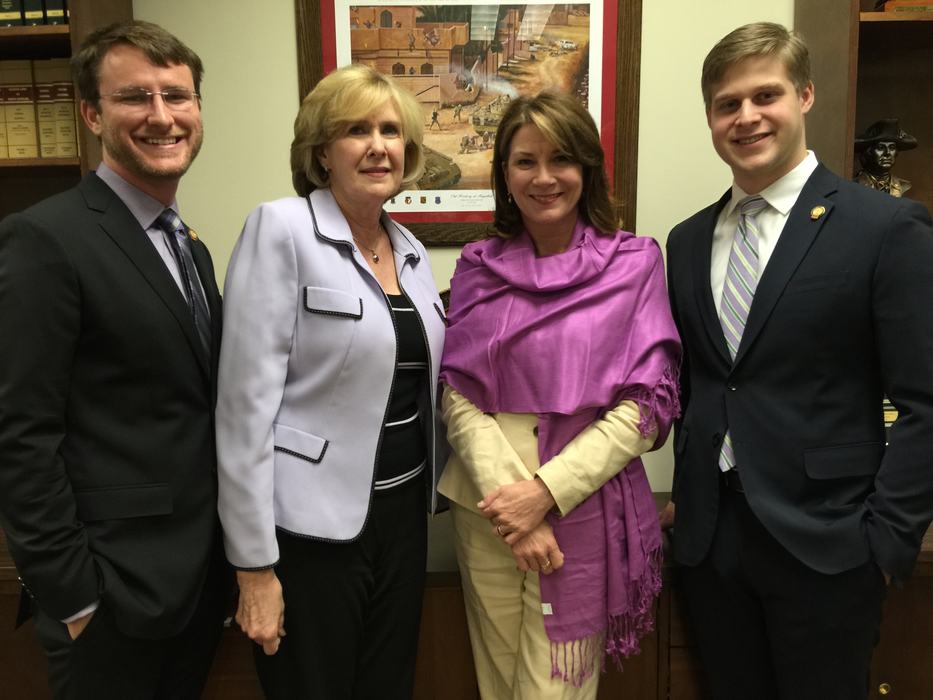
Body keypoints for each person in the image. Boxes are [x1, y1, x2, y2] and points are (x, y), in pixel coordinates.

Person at [665, 22, 933, 700]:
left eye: (765, 95)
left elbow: (924, 401)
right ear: (709, 117)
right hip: (709, 545)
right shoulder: (688, 240)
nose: (745, 117)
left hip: (828, 546)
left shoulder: (883, 228)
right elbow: (705, 381)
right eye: (727, 104)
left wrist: (886, 541)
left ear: (805, 95)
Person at [0, 20, 228, 698]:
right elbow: (19, 435)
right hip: (112, 596)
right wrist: (74, 599)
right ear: (93, 114)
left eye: (177, 96)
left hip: (191, 587)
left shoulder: (189, 245)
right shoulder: (45, 239)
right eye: (136, 97)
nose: (162, 116)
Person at [438, 90, 681, 699]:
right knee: (497, 682)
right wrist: (514, 508)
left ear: (587, 170)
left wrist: (545, 494)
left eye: (561, 159)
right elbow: (456, 392)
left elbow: (647, 406)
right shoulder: (476, 266)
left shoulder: (635, 262)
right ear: (505, 175)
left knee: (555, 692)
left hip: (582, 507)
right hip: (486, 510)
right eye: (525, 161)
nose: (544, 177)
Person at [215, 64, 446, 699]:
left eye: (391, 130)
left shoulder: (411, 252)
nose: (378, 145)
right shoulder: (282, 229)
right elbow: (242, 408)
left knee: (386, 685)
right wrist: (253, 566)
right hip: (309, 530)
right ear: (322, 151)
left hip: (402, 517)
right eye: (356, 130)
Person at [853, 117, 918, 197]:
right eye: (880, 147)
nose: (887, 153)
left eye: (892, 148)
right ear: (869, 152)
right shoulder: (854, 185)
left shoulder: (904, 186)